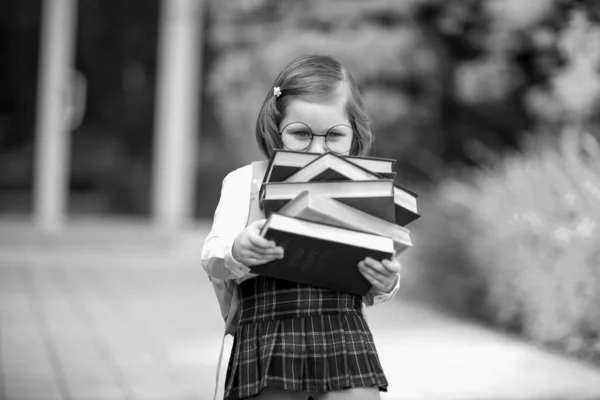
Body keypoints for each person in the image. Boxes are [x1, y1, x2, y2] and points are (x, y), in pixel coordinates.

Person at [201, 54, 402, 400]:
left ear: (354, 135)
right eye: (300, 134)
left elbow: (376, 264)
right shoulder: (245, 182)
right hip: (270, 334)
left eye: (334, 136)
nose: (317, 148)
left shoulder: (359, 188)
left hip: (343, 332)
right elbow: (212, 257)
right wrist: (237, 248)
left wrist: (387, 281)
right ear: (275, 128)